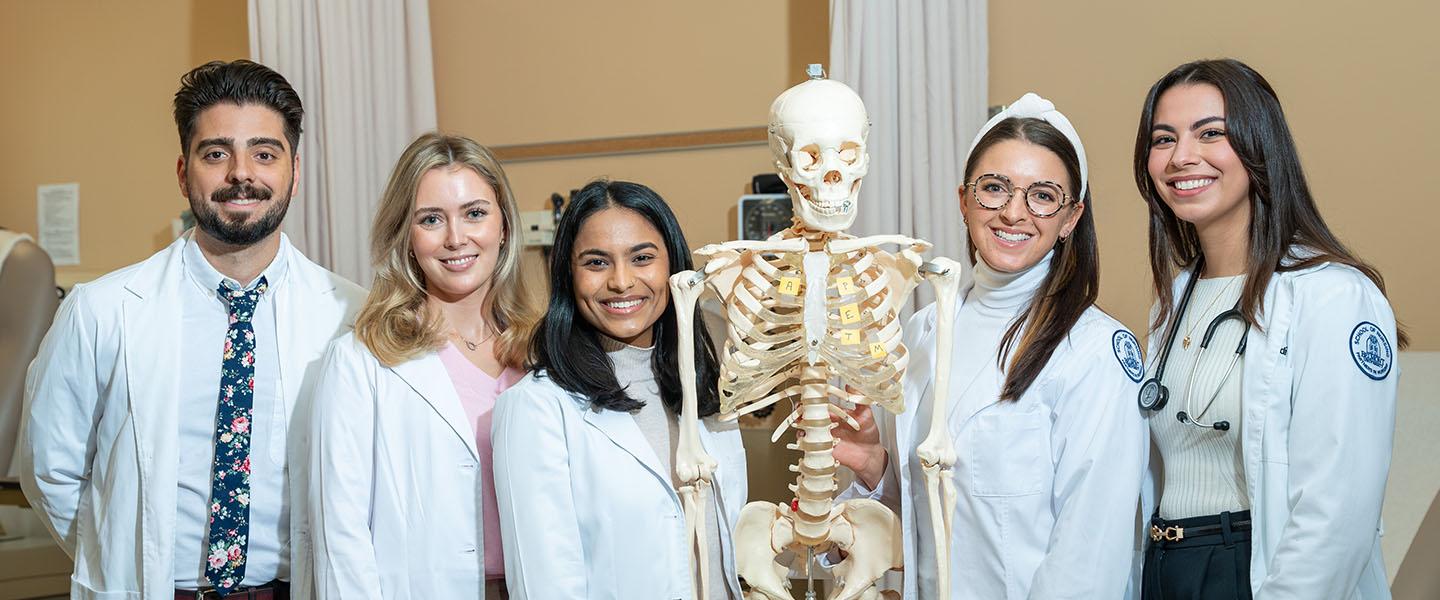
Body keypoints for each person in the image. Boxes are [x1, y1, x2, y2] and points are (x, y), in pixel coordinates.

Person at [19, 60, 366, 599]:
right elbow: (49, 472)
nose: (241, 173)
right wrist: (123, 553)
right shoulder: (102, 310)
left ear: (294, 173)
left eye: (265, 154)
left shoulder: (351, 315)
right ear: (184, 173)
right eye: (216, 153)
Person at [834, 93, 1147, 599]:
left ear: (1071, 218)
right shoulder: (920, 331)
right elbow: (917, 517)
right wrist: (876, 466)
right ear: (964, 200)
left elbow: (1093, 551)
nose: (1013, 212)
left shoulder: (1095, 351)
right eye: (994, 189)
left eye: (1043, 196)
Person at [1134, 58, 1402, 599]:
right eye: (1164, 139)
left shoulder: (1333, 296)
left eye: (1211, 133)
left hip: (1255, 570)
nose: (1182, 156)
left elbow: (1337, 512)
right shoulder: (1173, 303)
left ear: (1261, 145)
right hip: (1166, 568)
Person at [492, 180, 747, 599]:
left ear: (674, 268)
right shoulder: (535, 408)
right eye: (596, 263)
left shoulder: (706, 391)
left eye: (642, 258)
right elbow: (546, 585)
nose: (622, 282)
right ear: (568, 276)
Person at [307, 132, 536, 599]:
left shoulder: (544, 353)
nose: (456, 239)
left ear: (505, 226)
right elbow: (340, 538)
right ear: (407, 238)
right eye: (431, 219)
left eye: (475, 213)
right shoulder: (360, 363)